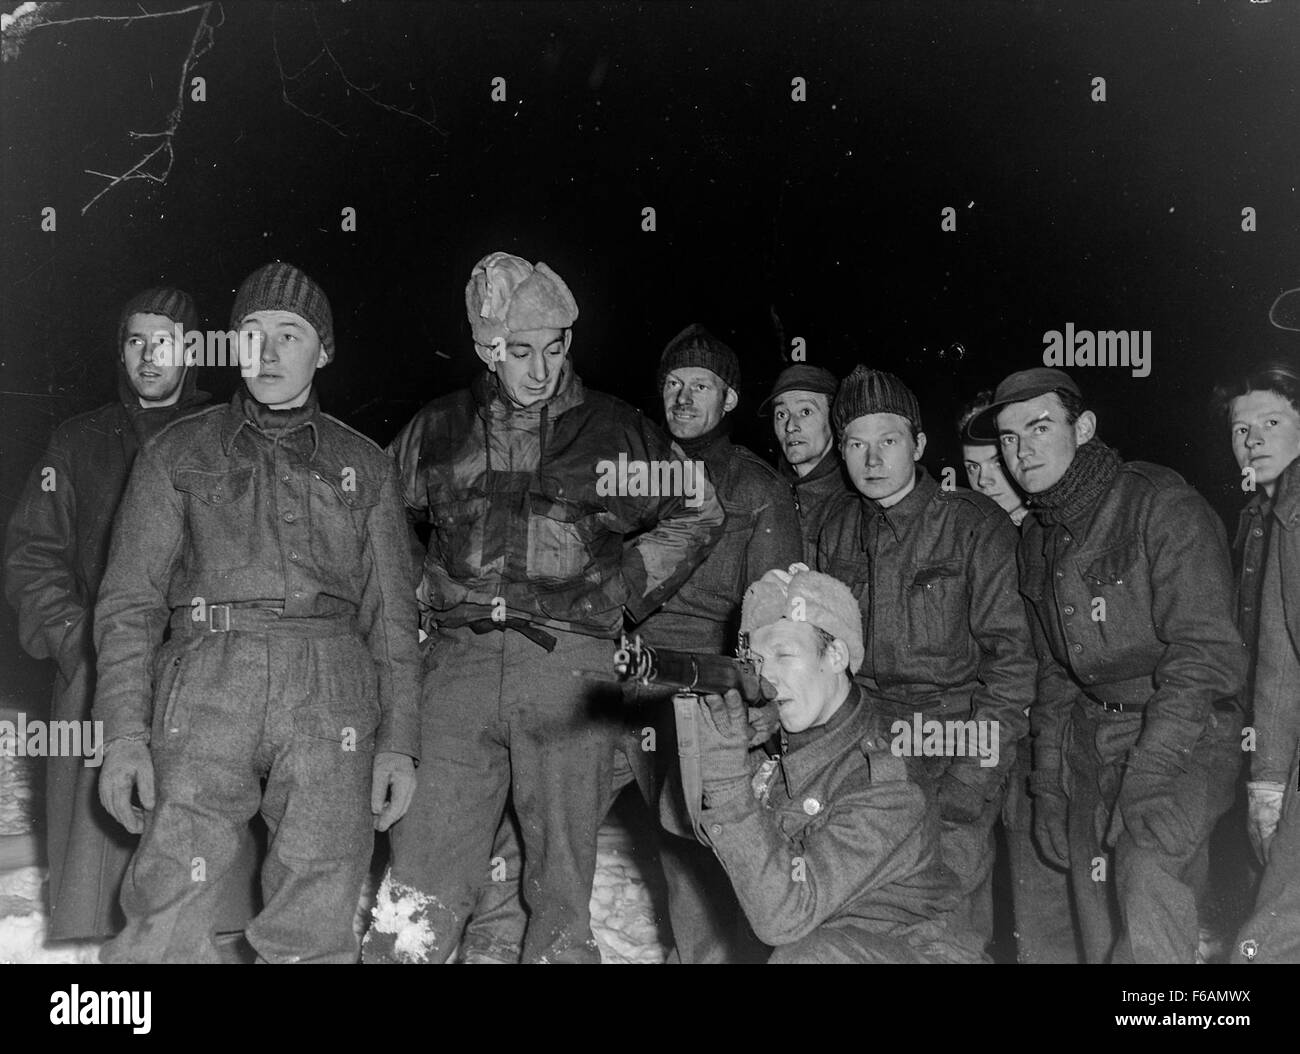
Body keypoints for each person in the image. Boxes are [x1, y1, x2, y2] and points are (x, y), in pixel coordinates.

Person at [364, 253, 724, 964]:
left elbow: (697, 510)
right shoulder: (437, 430)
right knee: (421, 881)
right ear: (483, 348)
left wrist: (612, 595)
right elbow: (373, 520)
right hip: (458, 670)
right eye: (518, 351)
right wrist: (415, 591)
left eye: (554, 349)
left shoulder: (614, 432)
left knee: (561, 890)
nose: (539, 370)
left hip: (566, 671)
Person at [92, 262, 420, 963]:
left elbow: (392, 621)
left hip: (331, 688)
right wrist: (123, 735)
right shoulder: (176, 452)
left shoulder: (365, 465)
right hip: (209, 679)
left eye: (289, 334)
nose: (266, 354)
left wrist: (399, 742)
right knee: (168, 894)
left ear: (324, 350)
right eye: (250, 333)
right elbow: (130, 605)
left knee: (321, 894)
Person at [969, 366, 1246, 963]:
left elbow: (1205, 656)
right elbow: (1054, 672)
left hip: (1185, 733)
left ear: (1085, 427)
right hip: (1091, 739)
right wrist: (1046, 784)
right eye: (1009, 439)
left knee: (1148, 880)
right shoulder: (1039, 537)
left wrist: (1150, 773)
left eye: (1040, 428)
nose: (1022, 451)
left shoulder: (1160, 505)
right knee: (1097, 921)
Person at [2, 286, 230, 941]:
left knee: (203, 875)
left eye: (166, 341)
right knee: (105, 864)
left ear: (192, 350)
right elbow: (30, 554)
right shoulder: (77, 441)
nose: (149, 355)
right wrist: (78, 641)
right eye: (136, 340)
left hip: (201, 672)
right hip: (103, 672)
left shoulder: (222, 439)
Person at [817, 367, 1034, 951]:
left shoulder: (972, 524)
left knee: (946, 924)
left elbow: (1012, 664)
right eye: (856, 443)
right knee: (860, 919)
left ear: (917, 444)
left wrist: (976, 770)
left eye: (887, 441)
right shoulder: (837, 527)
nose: (872, 457)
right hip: (863, 745)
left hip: (951, 741)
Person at [683, 565, 985, 963]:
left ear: (836, 655)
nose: (766, 675)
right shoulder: (788, 738)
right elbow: (683, 825)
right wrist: (722, 754)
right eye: (753, 661)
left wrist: (727, 779)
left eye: (784, 654)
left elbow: (782, 918)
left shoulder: (887, 784)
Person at [958, 393, 1079, 963]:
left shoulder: (1051, 530)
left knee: (1044, 889)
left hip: (1044, 735)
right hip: (988, 726)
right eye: (972, 469)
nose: (985, 481)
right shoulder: (973, 536)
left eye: (996, 464)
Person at [1226, 354, 1300, 964]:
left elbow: (1283, 660)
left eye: (1271, 424)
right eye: (1241, 429)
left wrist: (1271, 778)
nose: (1252, 440)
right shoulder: (1257, 516)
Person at [762, 365, 850, 565]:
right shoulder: (764, 495)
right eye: (781, 414)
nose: (791, 426)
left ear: (835, 420)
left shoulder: (852, 502)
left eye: (805, 411)